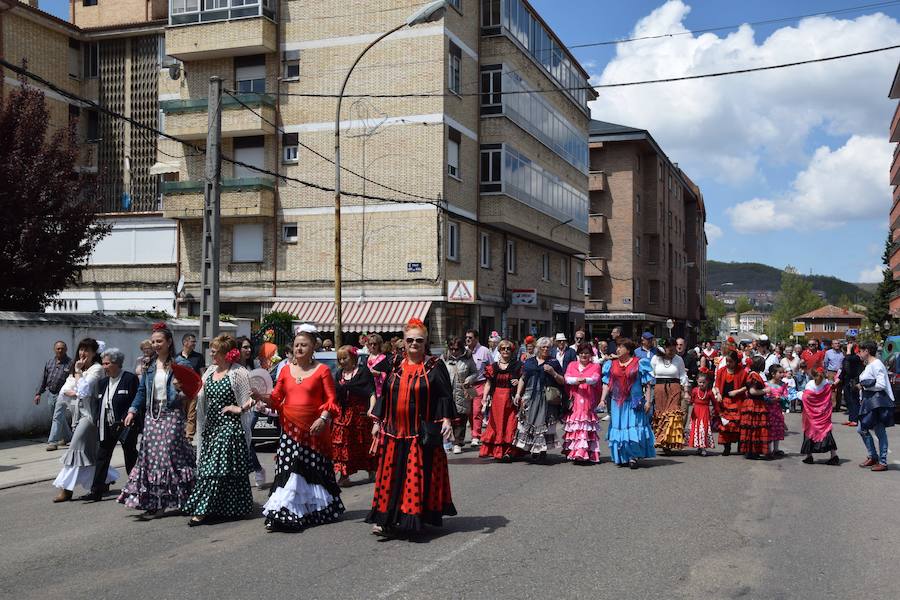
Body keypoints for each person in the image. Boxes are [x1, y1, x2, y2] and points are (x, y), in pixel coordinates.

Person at [366, 318, 456, 537]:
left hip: (419, 433)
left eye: (419, 340)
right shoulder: (394, 362)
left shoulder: (434, 365)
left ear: (425, 343)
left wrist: (446, 421)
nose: (414, 344)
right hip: (394, 432)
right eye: (410, 340)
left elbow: (444, 395)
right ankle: (384, 520)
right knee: (391, 478)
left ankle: (412, 519)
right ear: (403, 343)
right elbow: (384, 392)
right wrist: (378, 421)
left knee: (414, 477)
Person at [252, 326, 344, 531]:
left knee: (311, 472)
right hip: (290, 431)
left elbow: (331, 400)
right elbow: (276, 399)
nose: (299, 348)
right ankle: (286, 513)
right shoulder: (284, 370)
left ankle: (311, 511)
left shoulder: (323, 370)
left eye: (304, 345)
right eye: (297, 345)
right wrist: (260, 397)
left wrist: (323, 418)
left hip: (313, 432)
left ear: (313, 348)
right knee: (289, 472)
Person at [118, 322, 197, 517]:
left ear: (169, 342)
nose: (155, 345)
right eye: (153, 341)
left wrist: (180, 390)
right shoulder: (150, 366)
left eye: (159, 341)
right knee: (151, 460)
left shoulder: (181, 364)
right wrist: (132, 411)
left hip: (172, 414)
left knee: (168, 457)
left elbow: (194, 390)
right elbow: (142, 391)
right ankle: (154, 502)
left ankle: (177, 499)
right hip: (152, 416)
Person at [182, 335, 254, 527]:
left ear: (226, 353)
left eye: (215, 351)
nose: (211, 354)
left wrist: (238, 409)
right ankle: (226, 508)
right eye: (212, 350)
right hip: (211, 428)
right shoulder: (210, 372)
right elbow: (199, 394)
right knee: (222, 471)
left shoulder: (239, 373)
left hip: (230, 429)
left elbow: (251, 399)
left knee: (214, 470)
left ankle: (202, 511)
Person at [51, 339, 116, 502]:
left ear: (95, 353)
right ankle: (105, 479)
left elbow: (84, 390)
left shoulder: (97, 369)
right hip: (77, 415)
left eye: (87, 350)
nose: (82, 353)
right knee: (90, 452)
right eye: (81, 349)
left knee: (75, 449)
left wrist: (78, 376)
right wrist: (76, 384)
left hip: (91, 416)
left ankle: (66, 489)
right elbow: (66, 389)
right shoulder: (79, 367)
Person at [83, 347, 140, 502]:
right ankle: (96, 491)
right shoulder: (102, 383)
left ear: (116, 363)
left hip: (125, 425)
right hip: (106, 425)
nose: (104, 366)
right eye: (103, 363)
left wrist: (130, 420)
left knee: (130, 456)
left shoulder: (129, 379)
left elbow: (136, 401)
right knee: (102, 456)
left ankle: (136, 488)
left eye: (107, 363)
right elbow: (99, 403)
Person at [600, 338, 655, 469]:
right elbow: (606, 383)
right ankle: (622, 456)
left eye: (621, 347)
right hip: (617, 403)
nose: (617, 349)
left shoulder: (639, 363)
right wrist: (602, 400)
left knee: (633, 428)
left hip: (634, 402)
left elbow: (647, 384)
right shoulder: (611, 364)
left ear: (628, 350)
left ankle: (633, 456)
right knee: (619, 428)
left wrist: (648, 401)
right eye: (617, 347)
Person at [513, 336, 565, 461]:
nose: (546, 349)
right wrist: (518, 394)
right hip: (530, 396)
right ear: (538, 348)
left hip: (546, 398)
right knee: (529, 421)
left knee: (544, 424)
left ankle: (541, 451)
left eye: (548, 347)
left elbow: (562, 381)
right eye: (543, 347)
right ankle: (532, 448)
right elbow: (523, 378)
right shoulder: (530, 362)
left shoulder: (553, 362)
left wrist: (553, 372)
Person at [332, 345, 377, 486]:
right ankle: (344, 476)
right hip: (342, 414)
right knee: (343, 445)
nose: (342, 361)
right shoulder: (339, 374)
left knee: (363, 443)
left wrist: (372, 410)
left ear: (353, 358)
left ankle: (372, 471)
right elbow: (334, 394)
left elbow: (371, 392)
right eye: (340, 359)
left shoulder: (363, 372)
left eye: (344, 358)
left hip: (359, 414)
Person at [480, 340, 524, 461]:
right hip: (497, 400)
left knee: (511, 424)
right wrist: (484, 398)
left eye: (508, 349)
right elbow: (488, 384)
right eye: (503, 348)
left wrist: (518, 382)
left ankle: (509, 452)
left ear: (512, 351)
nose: (505, 350)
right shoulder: (493, 367)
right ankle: (497, 450)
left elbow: (523, 380)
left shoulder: (517, 365)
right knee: (497, 424)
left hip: (511, 399)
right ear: (499, 350)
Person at [856, 341, 894, 472]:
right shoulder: (870, 364)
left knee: (878, 431)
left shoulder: (876, 364)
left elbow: (881, 385)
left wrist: (864, 385)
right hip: (870, 402)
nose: (859, 353)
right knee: (862, 429)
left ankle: (882, 461)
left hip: (877, 404)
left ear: (867, 351)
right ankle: (873, 456)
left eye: (860, 351)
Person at [562, 343, 602, 464]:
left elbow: (595, 379)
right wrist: (576, 380)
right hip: (574, 399)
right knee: (575, 426)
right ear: (578, 354)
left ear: (591, 355)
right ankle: (574, 453)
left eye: (586, 353)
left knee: (585, 425)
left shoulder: (595, 366)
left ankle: (585, 453)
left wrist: (585, 380)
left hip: (588, 400)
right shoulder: (572, 364)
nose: (584, 355)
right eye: (581, 353)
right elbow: (567, 378)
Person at [650, 338, 689, 454]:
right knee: (661, 414)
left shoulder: (679, 359)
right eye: (669, 350)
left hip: (674, 388)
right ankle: (662, 440)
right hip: (659, 388)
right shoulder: (656, 358)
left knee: (672, 414)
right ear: (665, 348)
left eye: (674, 350)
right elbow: (650, 373)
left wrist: (686, 391)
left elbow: (683, 375)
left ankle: (668, 442)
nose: (672, 352)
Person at [34, 340, 72, 451]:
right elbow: (44, 379)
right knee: (58, 417)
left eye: (62, 348)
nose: (60, 350)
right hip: (51, 393)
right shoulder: (50, 362)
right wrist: (38, 393)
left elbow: (74, 379)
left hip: (63, 395)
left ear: (66, 349)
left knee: (57, 417)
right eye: (58, 348)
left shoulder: (71, 363)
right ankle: (68, 437)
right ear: (54, 350)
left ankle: (53, 442)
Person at [442, 336, 477, 453]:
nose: (453, 351)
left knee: (461, 418)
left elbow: (474, 372)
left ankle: (458, 442)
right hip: (447, 392)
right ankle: (448, 441)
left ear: (461, 348)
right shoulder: (445, 357)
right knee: (448, 417)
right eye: (451, 348)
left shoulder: (467, 358)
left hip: (462, 391)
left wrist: (469, 379)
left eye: (456, 349)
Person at [800, 368, 840, 465]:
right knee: (826, 432)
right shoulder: (826, 384)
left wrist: (799, 394)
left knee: (809, 432)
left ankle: (809, 456)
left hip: (811, 414)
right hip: (823, 413)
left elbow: (805, 397)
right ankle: (833, 455)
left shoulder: (810, 384)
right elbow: (829, 395)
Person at [713, 351, 746, 456]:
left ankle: (740, 446)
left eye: (730, 361)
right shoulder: (721, 371)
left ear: (736, 361)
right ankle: (726, 447)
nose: (728, 363)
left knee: (738, 425)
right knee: (725, 426)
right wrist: (718, 393)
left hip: (737, 402)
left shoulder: (742, 372)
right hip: (725, 402)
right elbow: (716, 385)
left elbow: (747, 386)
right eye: (727, 361)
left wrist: (737, 391)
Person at [465, 329, 493, 448]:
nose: (467, 340)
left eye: (470, 338)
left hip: (481, 384)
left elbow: (491, 368)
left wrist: (490, 385)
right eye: (466, 337)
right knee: (469, 412)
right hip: (467, 385)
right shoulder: (465, 351)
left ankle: (476, 436)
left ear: (476, 339)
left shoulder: (484, 351)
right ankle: (473, 433)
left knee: (477, 411)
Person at [740, 357, 771, 460]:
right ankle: (751, 451)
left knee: (755, 428)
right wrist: (765, 390)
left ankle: (754, 450)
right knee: (754, 427)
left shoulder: (754, 374)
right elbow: (752, 391)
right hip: (754, 403)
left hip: (755, 403)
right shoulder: (754, 375)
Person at [687, 373, 716, 456]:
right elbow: (692, 400)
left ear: (707, 382)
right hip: (696, 412)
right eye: (700, 382)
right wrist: (689, 401)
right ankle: (699, 447)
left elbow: (715, 403)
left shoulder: (710, 392)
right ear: (697, 382)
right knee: (696, 429)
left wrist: (717, 411)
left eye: (704, 382)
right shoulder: (695, 390)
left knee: (703, 429)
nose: (702, 384)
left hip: (705, 412)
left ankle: (703, 447)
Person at [764, 364, 787, 457]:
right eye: (780, 372)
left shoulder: (783, 385)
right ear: (773, 374)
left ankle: (776, 449)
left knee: (777, 429)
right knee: (769, 429)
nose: (782, 374)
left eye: (783, 372)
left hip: (778, 410)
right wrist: (771, 399)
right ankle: (768, 450)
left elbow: (786, 396)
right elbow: (764, 397)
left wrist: (781, 398)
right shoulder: (766, 384)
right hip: (768, 411)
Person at [841, 344, 864, 426]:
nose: (843, 353)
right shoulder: (845, 359)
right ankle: (850, 419)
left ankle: (855, 420)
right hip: (847, 381)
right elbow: (843, 370)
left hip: (854, 381)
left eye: (844, 351)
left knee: (854, 400)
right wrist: (838, 380)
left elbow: (849, 358)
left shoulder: (856, 358)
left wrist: (848, 348)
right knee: (848, 401)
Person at [365, 333, 388, 401]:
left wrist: (379, 374)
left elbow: (389, 375)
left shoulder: (384, 358)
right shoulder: (366, 358)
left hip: (379, 392)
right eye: (370, 344)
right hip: (367, 390)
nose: (372, 346)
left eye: (375, 344)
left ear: (379, 345)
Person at [824, 339, 845, 412]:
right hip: (831, 372)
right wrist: (826, 372)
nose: (837, 345)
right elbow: (825, 363)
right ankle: (832, 406)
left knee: (839, 390)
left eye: (838, 343)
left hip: (840, 372)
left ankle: (838, 406)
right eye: (835, 343)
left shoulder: (842, 353)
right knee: (832, 389)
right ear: (832, 345)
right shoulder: (828, 353)